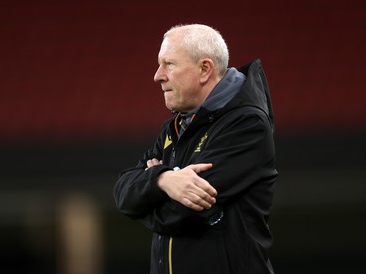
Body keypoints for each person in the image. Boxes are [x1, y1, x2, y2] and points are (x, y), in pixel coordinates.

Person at [114, 24, 278, 274]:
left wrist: (147, 198)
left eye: (169, 64)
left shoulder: (246, 124)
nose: (157, 75)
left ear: (204, 70)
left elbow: (179, 213)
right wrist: (163, 180)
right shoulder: (177, 126)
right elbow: (123, 195)